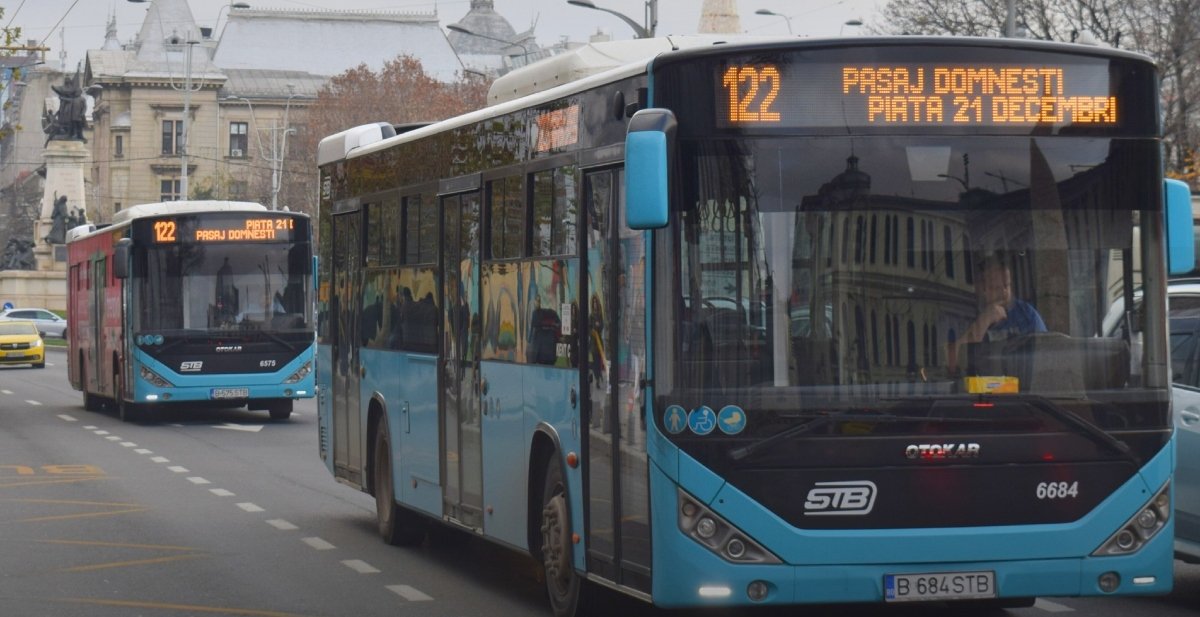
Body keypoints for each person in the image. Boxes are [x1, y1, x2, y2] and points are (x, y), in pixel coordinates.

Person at [960, 257, 1047, 344]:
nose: (1003, 291)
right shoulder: (967, 314)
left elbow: (1044, 349)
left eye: (1007, 285)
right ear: (982, 289)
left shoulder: (1027, 315)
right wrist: (985, 320)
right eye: (996, 287)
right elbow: (957, 353)